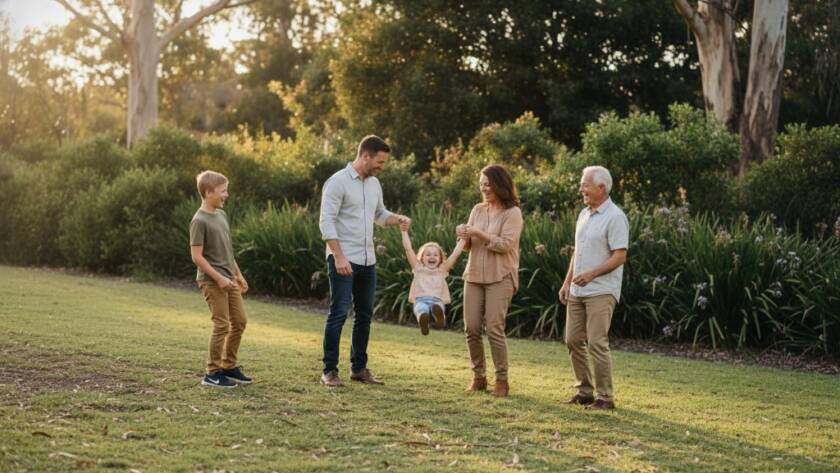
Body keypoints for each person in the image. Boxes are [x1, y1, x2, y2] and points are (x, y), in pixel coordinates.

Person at [318, 135, 411, 387]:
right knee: (338, 313)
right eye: (379, 161)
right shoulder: (337, 182)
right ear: (366, 156)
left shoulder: (374, 184)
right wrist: (338, 256)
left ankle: (358, 369)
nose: (382, 166)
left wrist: (398, 218)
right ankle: (329, 371)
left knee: (365, 315)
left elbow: (380, 215)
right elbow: (325, 223)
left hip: (368, 261)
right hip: (343, 259)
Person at [558, 165, 629, 410]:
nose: (581, 189)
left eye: (585, 185)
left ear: (602, 187)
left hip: (601, 290)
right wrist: (567, 282)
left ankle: (605, 398)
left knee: (597, 342)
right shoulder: (583, 215)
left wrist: (591, 274)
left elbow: (619, 256)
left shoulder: (616, 217)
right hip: (578, 290)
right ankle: (585, 391)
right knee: (573, 339)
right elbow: (577, 251)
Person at [457, 165, 523, 397]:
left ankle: (502, 380)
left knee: (494, 328)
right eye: (481, 184)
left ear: (500, 184)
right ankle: (479, 377)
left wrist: (478, 233)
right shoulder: (478, 209)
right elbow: (467, 247)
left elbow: (505, 245)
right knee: (471, 328)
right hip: (473, 275)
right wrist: (464, 235)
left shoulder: (512, 212)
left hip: (500, 276)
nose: (484, 188)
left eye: (488, 184)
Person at [189, 170, 252, 389]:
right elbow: (197, 256)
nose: (226, 195)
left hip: (229, 279)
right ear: (208, 193)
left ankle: (228, 366)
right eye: (223, 191)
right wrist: (218, 278)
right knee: (221, 325)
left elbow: (227, 251)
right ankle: (212, 373)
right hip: (211, 281)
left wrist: (238, 274)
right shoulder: (199, 220)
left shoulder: (221, 215)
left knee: (240, 322)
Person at [399, 221, 466, 335]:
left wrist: (463, 238)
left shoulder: (442, 269)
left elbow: (455, 253)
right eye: (428, 254)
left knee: (437, 307)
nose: (432, 257)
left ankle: (440, 319)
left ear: (440, 259)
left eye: (435, 255)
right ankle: (423, 321)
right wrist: (404, 231)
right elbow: (408, 249)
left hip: (437, 301)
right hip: (420, 300)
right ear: (422, 257)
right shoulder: (418, 267)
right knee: (421, 310)